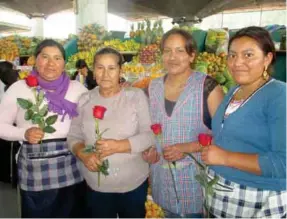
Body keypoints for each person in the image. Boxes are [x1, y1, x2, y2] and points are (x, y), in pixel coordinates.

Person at [200, 26, 286, 218]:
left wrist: (225, 158)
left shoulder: (279, 95)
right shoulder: (234, 91)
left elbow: (283, 163)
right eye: (232, 55)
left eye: (248, 55)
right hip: (221, 195)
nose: (237, 62)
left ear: (267, 58)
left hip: (255, 199)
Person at [142, 29, 225, 218]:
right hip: (161, 184)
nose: (173, 57)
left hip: (195, 186)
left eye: (180, 50)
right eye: (167, 50)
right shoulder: (152, 88)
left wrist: (187, 147)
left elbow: (225, 136)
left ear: (192, 55)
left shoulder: (208, 87)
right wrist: (149, 150)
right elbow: (148, 130)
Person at [0, 39, 88, 218]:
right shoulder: (20, 88)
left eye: (57, 58)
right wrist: (23, 133)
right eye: (45, 57)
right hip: (36, 171)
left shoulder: (78, 88)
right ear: (35, 60)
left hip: (73, 166)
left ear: (64, 63)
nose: (51, 63)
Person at [67, 47, 154, 218]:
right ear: (93, 71)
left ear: (120, 71)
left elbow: (150, 135)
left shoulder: (135, 97)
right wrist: (83, 153)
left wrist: (119, 146)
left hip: (133, 185)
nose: (105, 74)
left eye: (111, 68)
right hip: (96, 186)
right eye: (100, 68)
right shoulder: (85, 100)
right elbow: (73, 136)